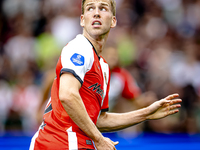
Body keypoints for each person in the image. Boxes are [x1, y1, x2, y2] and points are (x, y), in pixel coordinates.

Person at [29, 0, 182, 150]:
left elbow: (99, 120)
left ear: (113, 21)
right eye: (90, 8)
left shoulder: (104, 68)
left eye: (103, 8)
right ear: (82, 20)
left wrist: (146, 113)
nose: (96, 13)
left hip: (80, 143)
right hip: (58, 142)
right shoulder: (80, 47)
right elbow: (67, 95)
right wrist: (99, 138)